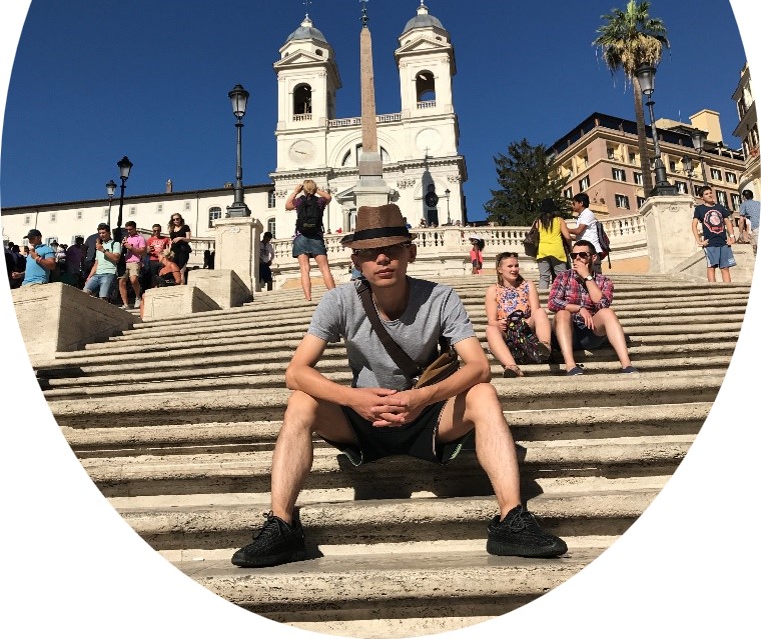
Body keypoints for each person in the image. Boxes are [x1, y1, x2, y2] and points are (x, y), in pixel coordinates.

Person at [231, 203, 567, 568]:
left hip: (427, 416)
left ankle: (511, 519)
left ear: (411, 253)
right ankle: (282, 525)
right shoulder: (339, 300)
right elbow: (296, 372)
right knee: (301, 401)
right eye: (369, 253)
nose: (382, 259)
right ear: (356, 262)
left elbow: (478, 366)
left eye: (392, 249)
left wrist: (423, 396)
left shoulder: (441, 298)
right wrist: (353, 398)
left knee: (483, 393)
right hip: (364, 419)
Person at [547, 240, 636, 375]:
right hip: (566, 330)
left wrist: (587, 278)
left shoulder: (604, 281)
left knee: (607, 312)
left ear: (593, 257)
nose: (577, 258)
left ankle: (626, 364)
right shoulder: (563, 277)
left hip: (590, 332)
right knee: (563, 313)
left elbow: (602, 304)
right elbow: (553, 303)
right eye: (574, 255)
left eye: (582, 255)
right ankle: (570, 365)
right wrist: (578, 308)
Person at [485, 252, 552, 377]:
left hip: (527, 331)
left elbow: (535, 312)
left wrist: (524, 322)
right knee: (491, 329)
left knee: (540, 312)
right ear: (500, 269)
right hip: (508, 334)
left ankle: (544, 347)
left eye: (516, 266)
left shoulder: (528, 285)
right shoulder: (493, 290)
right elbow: (492, 320)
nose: (514, 269)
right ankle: (511, 366)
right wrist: (500, 323)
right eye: (510, 266)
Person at [286, 179, 336, 301]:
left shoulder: (299, 201)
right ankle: (335, 296)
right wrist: (316, 190)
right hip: (316, 236)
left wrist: (295, 192)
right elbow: (328, 197)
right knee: (324, 269)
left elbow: (287, 206)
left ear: (303, 189)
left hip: (301, 236)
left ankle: (308, 298)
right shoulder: (320, 201)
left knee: (304, 269)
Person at [691, 185, 735, 283]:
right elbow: (694, 225)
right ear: (702, 197)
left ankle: (728, 289)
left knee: (725, 268)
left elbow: (728, 222)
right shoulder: (699, 209)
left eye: (710, 193)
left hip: (724, 242)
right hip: (710, 243)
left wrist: (732, 236)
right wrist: (699, 241)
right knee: (711, 267)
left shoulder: (720, 207)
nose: (710, 195)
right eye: (706, 194)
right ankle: (713, 289)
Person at [534, 198, 572, 288]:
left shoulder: (538, 222)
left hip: (542, 251)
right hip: (557, 250)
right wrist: (570, 247)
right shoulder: (559, 220)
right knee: (561, 276)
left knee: (544, 277)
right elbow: (567, 236)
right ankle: (562, 294)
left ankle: (542, 295)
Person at [83, 223, 122, 298]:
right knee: (84, 293)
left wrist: (103, 250)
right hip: (97, 274)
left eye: (103, 233)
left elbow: (116, 258)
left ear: (109, 233)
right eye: (100, 233)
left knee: (103, 298)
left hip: (109, 274)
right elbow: (96, 263)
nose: (101, 235)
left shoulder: (115, 244)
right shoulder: (100, 246)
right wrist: (89, 277)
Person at [568, 192, 603, 274]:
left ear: (581, 203)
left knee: (595, 276)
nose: (572, 206)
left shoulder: (588, 213)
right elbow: (581, 235)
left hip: (591, 251)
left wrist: (565, 229)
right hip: (584, 251)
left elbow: (578, 231)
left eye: (574, 203)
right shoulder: (581, 216)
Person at [118, 221, 147, 309]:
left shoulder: (140, 238)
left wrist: (131, 247)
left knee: (133, 280)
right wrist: (123, 245)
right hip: (124, 262)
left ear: (135, 228)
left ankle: (137, 297)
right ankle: (125, 304)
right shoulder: (126, 238)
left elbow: (142, 251)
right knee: (121, 281)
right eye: (127, 229)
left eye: (130, 229)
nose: (129, 231)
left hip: (134, 261)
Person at [167, 213, 192, 279]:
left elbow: (188, 239)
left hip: (183, 250)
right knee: (175, 269)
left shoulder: (185, 227)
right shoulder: (172, 229)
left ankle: (182, 284)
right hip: (174, 251)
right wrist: (169, 251)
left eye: (177, 219)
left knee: (182, 270)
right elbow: (171, 241)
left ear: (180, 219)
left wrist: (181, 238)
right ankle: (176, 283)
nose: (176, 220)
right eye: (174, 219)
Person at [738, 188, 760, 255]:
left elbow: (741, 221)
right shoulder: (759, 203)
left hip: (756, 227)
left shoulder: (743, 204)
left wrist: (741, 233)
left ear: (744, 197)